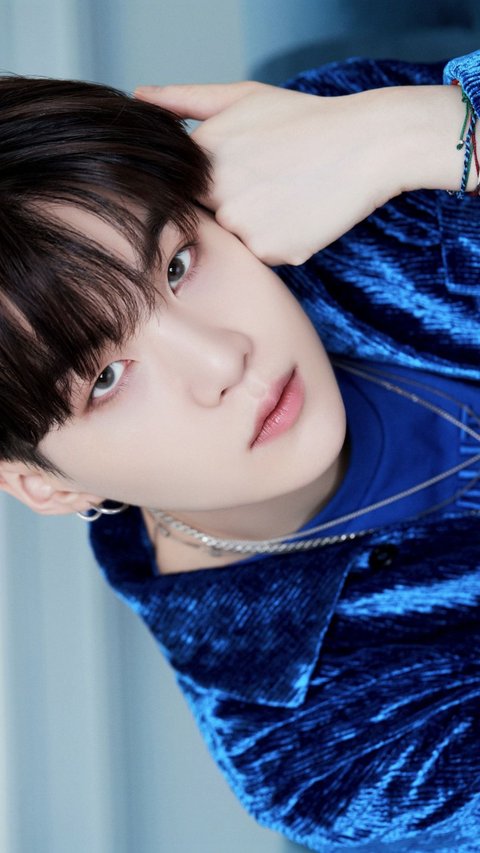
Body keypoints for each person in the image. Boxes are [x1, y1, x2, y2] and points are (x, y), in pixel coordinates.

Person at [0, 48, 479, 851]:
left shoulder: (332, 154)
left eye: (178, 264)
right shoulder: (316, 748)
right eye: (106, 379)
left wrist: (422, 131)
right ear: (41, 483)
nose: (223, 359)